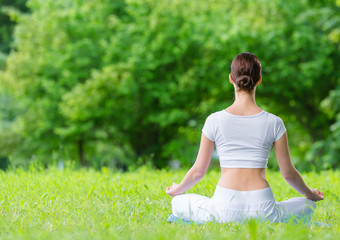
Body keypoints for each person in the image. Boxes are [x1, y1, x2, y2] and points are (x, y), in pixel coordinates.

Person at [165, 52, 324, 224]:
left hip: (223, 208)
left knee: (178, 202)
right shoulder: (275, 122)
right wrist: (310, 194)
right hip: (263, 210)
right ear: (259, 79)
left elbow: (198, 171)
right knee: (307, 205)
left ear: (231, 79)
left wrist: (177, 190)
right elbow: (288, 173)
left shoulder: (214, 120)